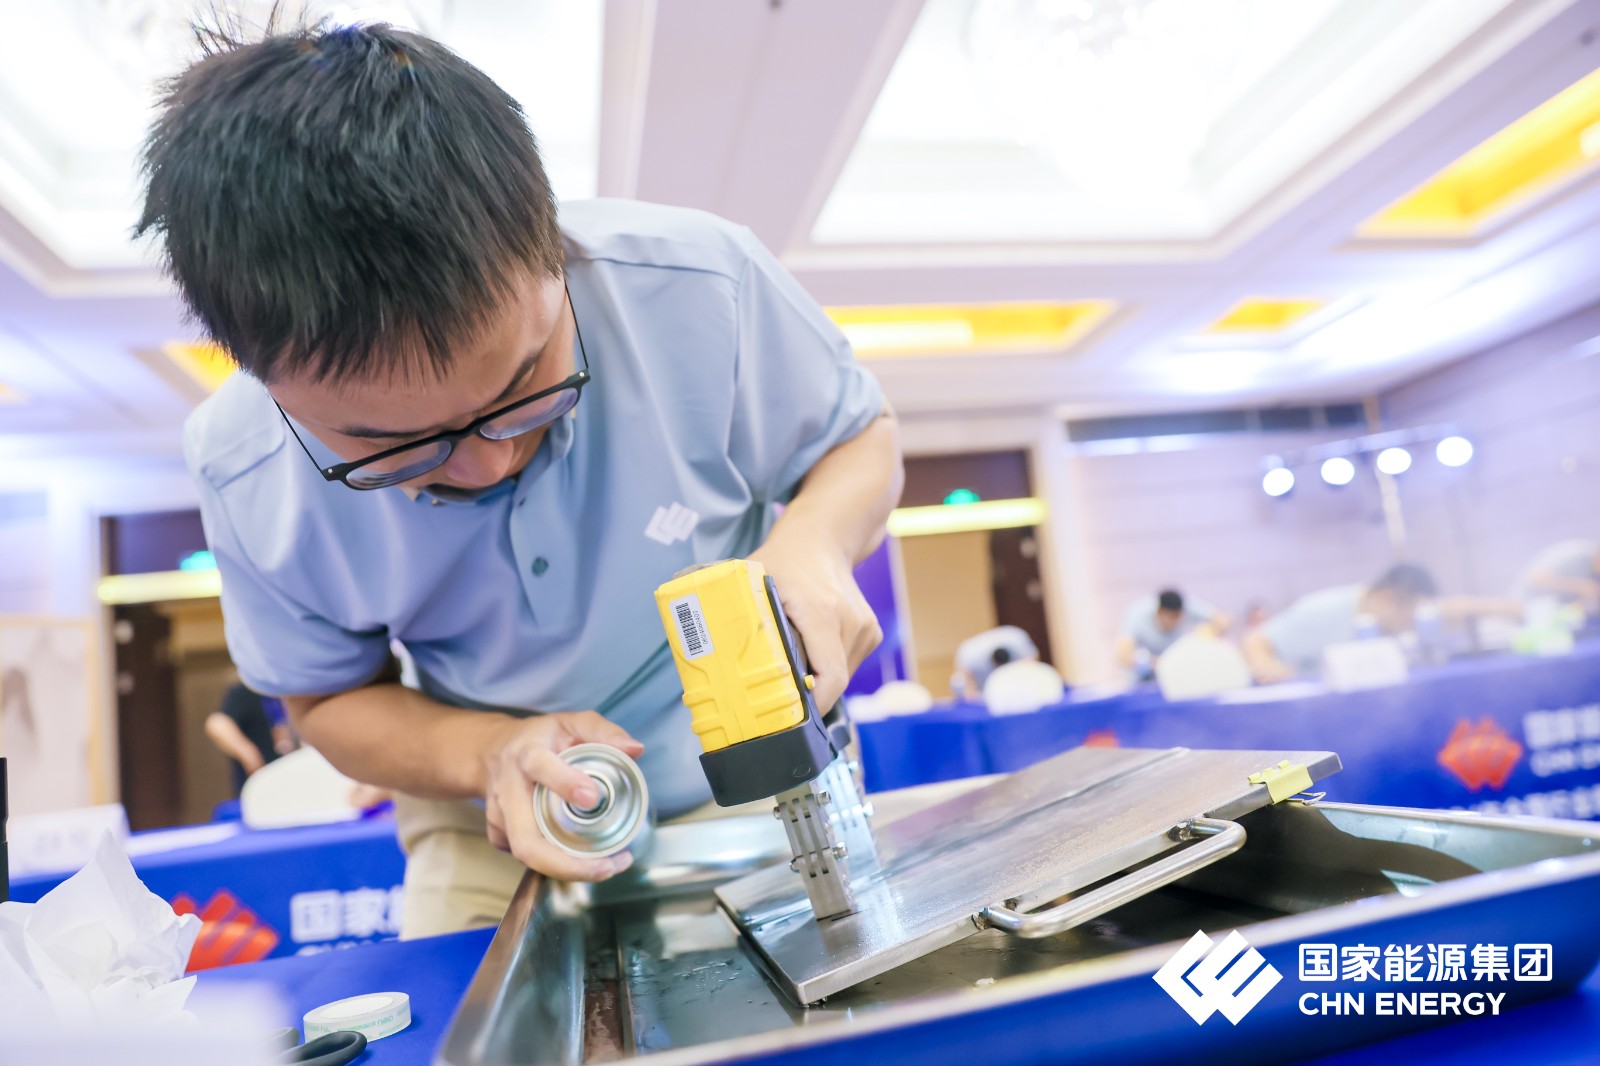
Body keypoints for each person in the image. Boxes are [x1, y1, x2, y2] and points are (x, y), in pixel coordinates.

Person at [140, 22, 902, 937]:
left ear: (553, 246)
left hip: (767, 786)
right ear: (265, 382)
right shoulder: (244, 469)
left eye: (523, 388)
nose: (487, 463)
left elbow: (860, 440)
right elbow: (326, 701)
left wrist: (814, 542)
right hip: (489, 821)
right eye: (396, 448)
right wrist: (491, 750)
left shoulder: (699, 282)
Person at [1114, 589, 1229, 681]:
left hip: (1178, 674)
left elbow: (1224, 622)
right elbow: (1123, 654)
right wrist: (1157, 664)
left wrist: (1207, 634)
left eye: (1178, 618)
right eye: (1171, 618)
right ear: (1160, 612)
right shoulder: (1138, 615)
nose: (1175, 622)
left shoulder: (1187, 608)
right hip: (1146, 676)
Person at [204, 682, 290, 793]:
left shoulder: (290, 690)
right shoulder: (249, 690)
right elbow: (218, 723)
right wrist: (250, 755)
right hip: (261, 783)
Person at [951, 626, 1039, 700]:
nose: (1001, 672)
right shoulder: (970, 655)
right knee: (958, 681)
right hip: (981, 686)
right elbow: (968, 688)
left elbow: (1033, 659)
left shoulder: (1017, 640)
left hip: (1015, 675)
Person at [1512, 539, 1600, 609]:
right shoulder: (1578, 553)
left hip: (1558, 613)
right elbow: (1536, 579)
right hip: (1528, 605)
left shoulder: (1595, 572)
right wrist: (1579, 587)